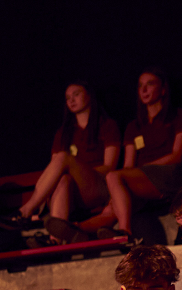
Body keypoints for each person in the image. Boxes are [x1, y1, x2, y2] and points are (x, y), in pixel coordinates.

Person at [14, 80, 122, 237]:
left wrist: (78, 169)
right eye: (67, 97)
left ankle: (27, 210)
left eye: (76, 95)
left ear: (89, 95)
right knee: (63, 179)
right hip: (73, 193)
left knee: (64, 158)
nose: (71, 100)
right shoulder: (63, 133)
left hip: (99, 187)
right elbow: (55, 167)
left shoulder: (107, 125)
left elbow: (109, 166)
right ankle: (56, 238)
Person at [106, 67, 182, 239]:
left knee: (112, 177)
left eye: (150, 84)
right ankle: (77, 231)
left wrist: (143, 169)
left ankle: (125, 232)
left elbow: (177, 156)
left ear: (163, 89)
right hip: (142, 180)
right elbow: (128, 165)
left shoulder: (179, 116)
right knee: (111, 207)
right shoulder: (134, 126)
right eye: (140, 86)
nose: (144, 90)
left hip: (169, 174)